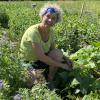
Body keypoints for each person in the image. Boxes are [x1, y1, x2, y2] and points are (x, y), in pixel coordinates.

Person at [20, 3, 73, 88]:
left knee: (58, 54)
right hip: (28, 62)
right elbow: (41, 57)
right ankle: (27, 90)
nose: (50, 20)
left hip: (41, 60)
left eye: (53, 18)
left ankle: (50, 79)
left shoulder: (51, 32)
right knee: (31, 80)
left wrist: (66, 59)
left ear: (56, 21)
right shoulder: (33, 32)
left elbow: (53, 49)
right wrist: (62, 65)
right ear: (42, 16)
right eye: (48, 16)